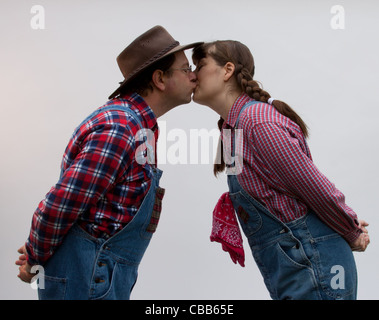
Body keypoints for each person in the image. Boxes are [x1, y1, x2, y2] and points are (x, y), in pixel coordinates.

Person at [15, 25, 202, 300]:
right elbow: (61, 204)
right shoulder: (122, 128)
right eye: (186, 69)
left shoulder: (139, 127)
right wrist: (34, 257)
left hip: (98, 278)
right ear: (160, 78)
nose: (194, 75)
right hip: (87, 281)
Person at [192, 40, 370, 300]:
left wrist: (350, 229)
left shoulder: (257, 121)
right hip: (299, 268)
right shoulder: (233, 129)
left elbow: (311, 185)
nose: (193, 73)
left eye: (200, 64)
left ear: (227, 70)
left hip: (316, 268)